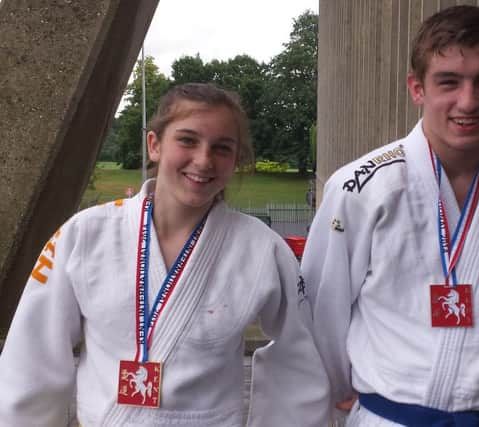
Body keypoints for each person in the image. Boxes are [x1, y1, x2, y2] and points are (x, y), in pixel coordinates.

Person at [0, 83, 330, 426]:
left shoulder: (261, 248)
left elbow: (299, 360)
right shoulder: (85, 234)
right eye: (187, 140)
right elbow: (33, 354)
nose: (203, 160)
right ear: (154, 145)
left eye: (221, 148)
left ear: (236, 160)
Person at [301, 5, 479, 427]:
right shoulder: (361, 188)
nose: (468, 101)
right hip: (389, 417)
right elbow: (322, 309)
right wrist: (339, 388)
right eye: (449, 82)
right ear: (417, 88)